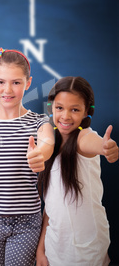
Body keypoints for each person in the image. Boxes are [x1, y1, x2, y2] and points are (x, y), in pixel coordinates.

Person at [0, 48, 55, 266]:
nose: (7, 89)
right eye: (1, 82)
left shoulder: (39, 121)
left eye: (16, 83)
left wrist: (40, 154)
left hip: (26, 223)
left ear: (28, 83)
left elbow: (47, 141)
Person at [36, 76, 118, 266]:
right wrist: (42, 249)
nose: (65, 116)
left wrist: (106, 148)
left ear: (86, 112)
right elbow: (51, 206)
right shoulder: (50, 144)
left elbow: (96, 144)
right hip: (56, 246)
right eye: (59, 108)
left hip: (87, 249)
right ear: (51, 108)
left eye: (74, 110)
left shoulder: (84, 137)